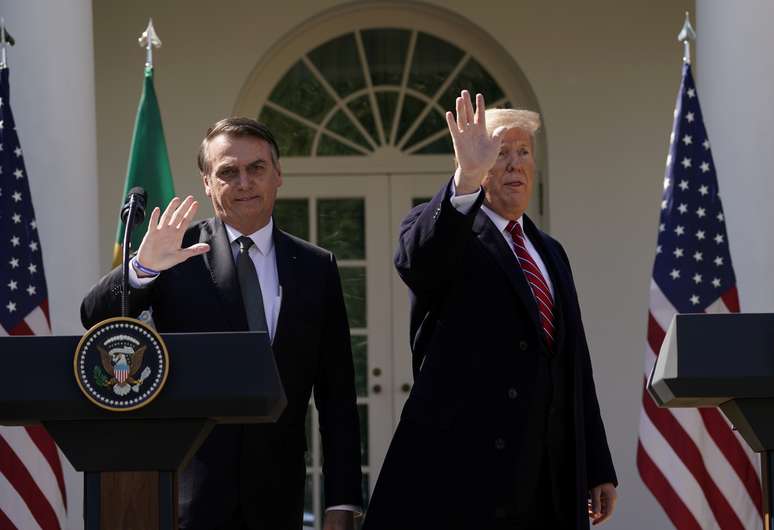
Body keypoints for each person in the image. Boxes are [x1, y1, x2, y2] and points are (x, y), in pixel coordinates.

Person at [81, 117, 362, 530]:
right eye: (228, 172)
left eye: (256, 168)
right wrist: (143, 268)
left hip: (278, 495)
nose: (244, 182)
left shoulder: (316, 267)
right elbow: (96, 317)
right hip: (189, 493)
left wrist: (342, 499)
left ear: (278, 175)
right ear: (208, 183)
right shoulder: (176, 255)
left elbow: (336, 394)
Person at [363, 91, 618, 530]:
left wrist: (596, 465)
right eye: (500, 153)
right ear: (476, 163)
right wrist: (464, 179)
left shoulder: (550, 252)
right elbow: (417, 262)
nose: (515, 163)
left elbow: (575, 366)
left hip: (549, 480)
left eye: (523, 152)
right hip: (466, 478)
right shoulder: (443, 228)